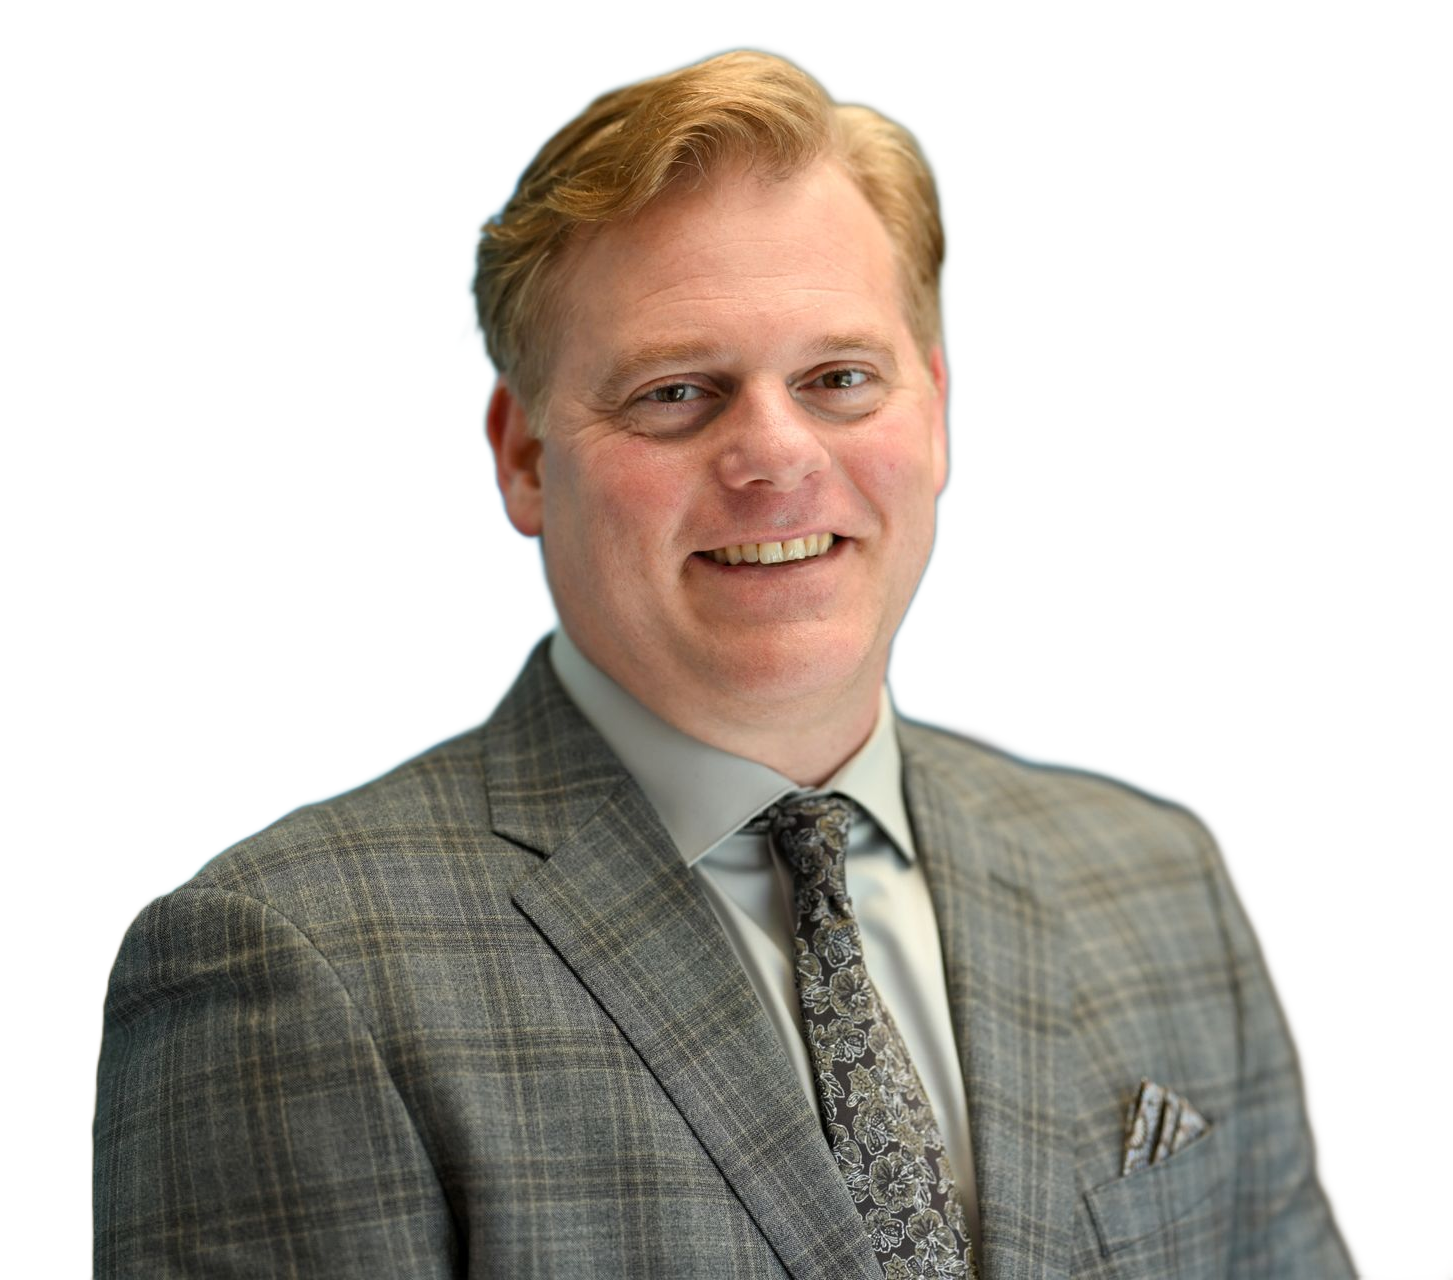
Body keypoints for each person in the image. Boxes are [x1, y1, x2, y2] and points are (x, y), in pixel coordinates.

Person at [92, 45, 1364, 1278]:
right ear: (523, 455)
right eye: (676, 393)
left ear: (938, 406)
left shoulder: (1160, 880)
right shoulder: (283, 962)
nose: (774, 457)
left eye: (838, 378)